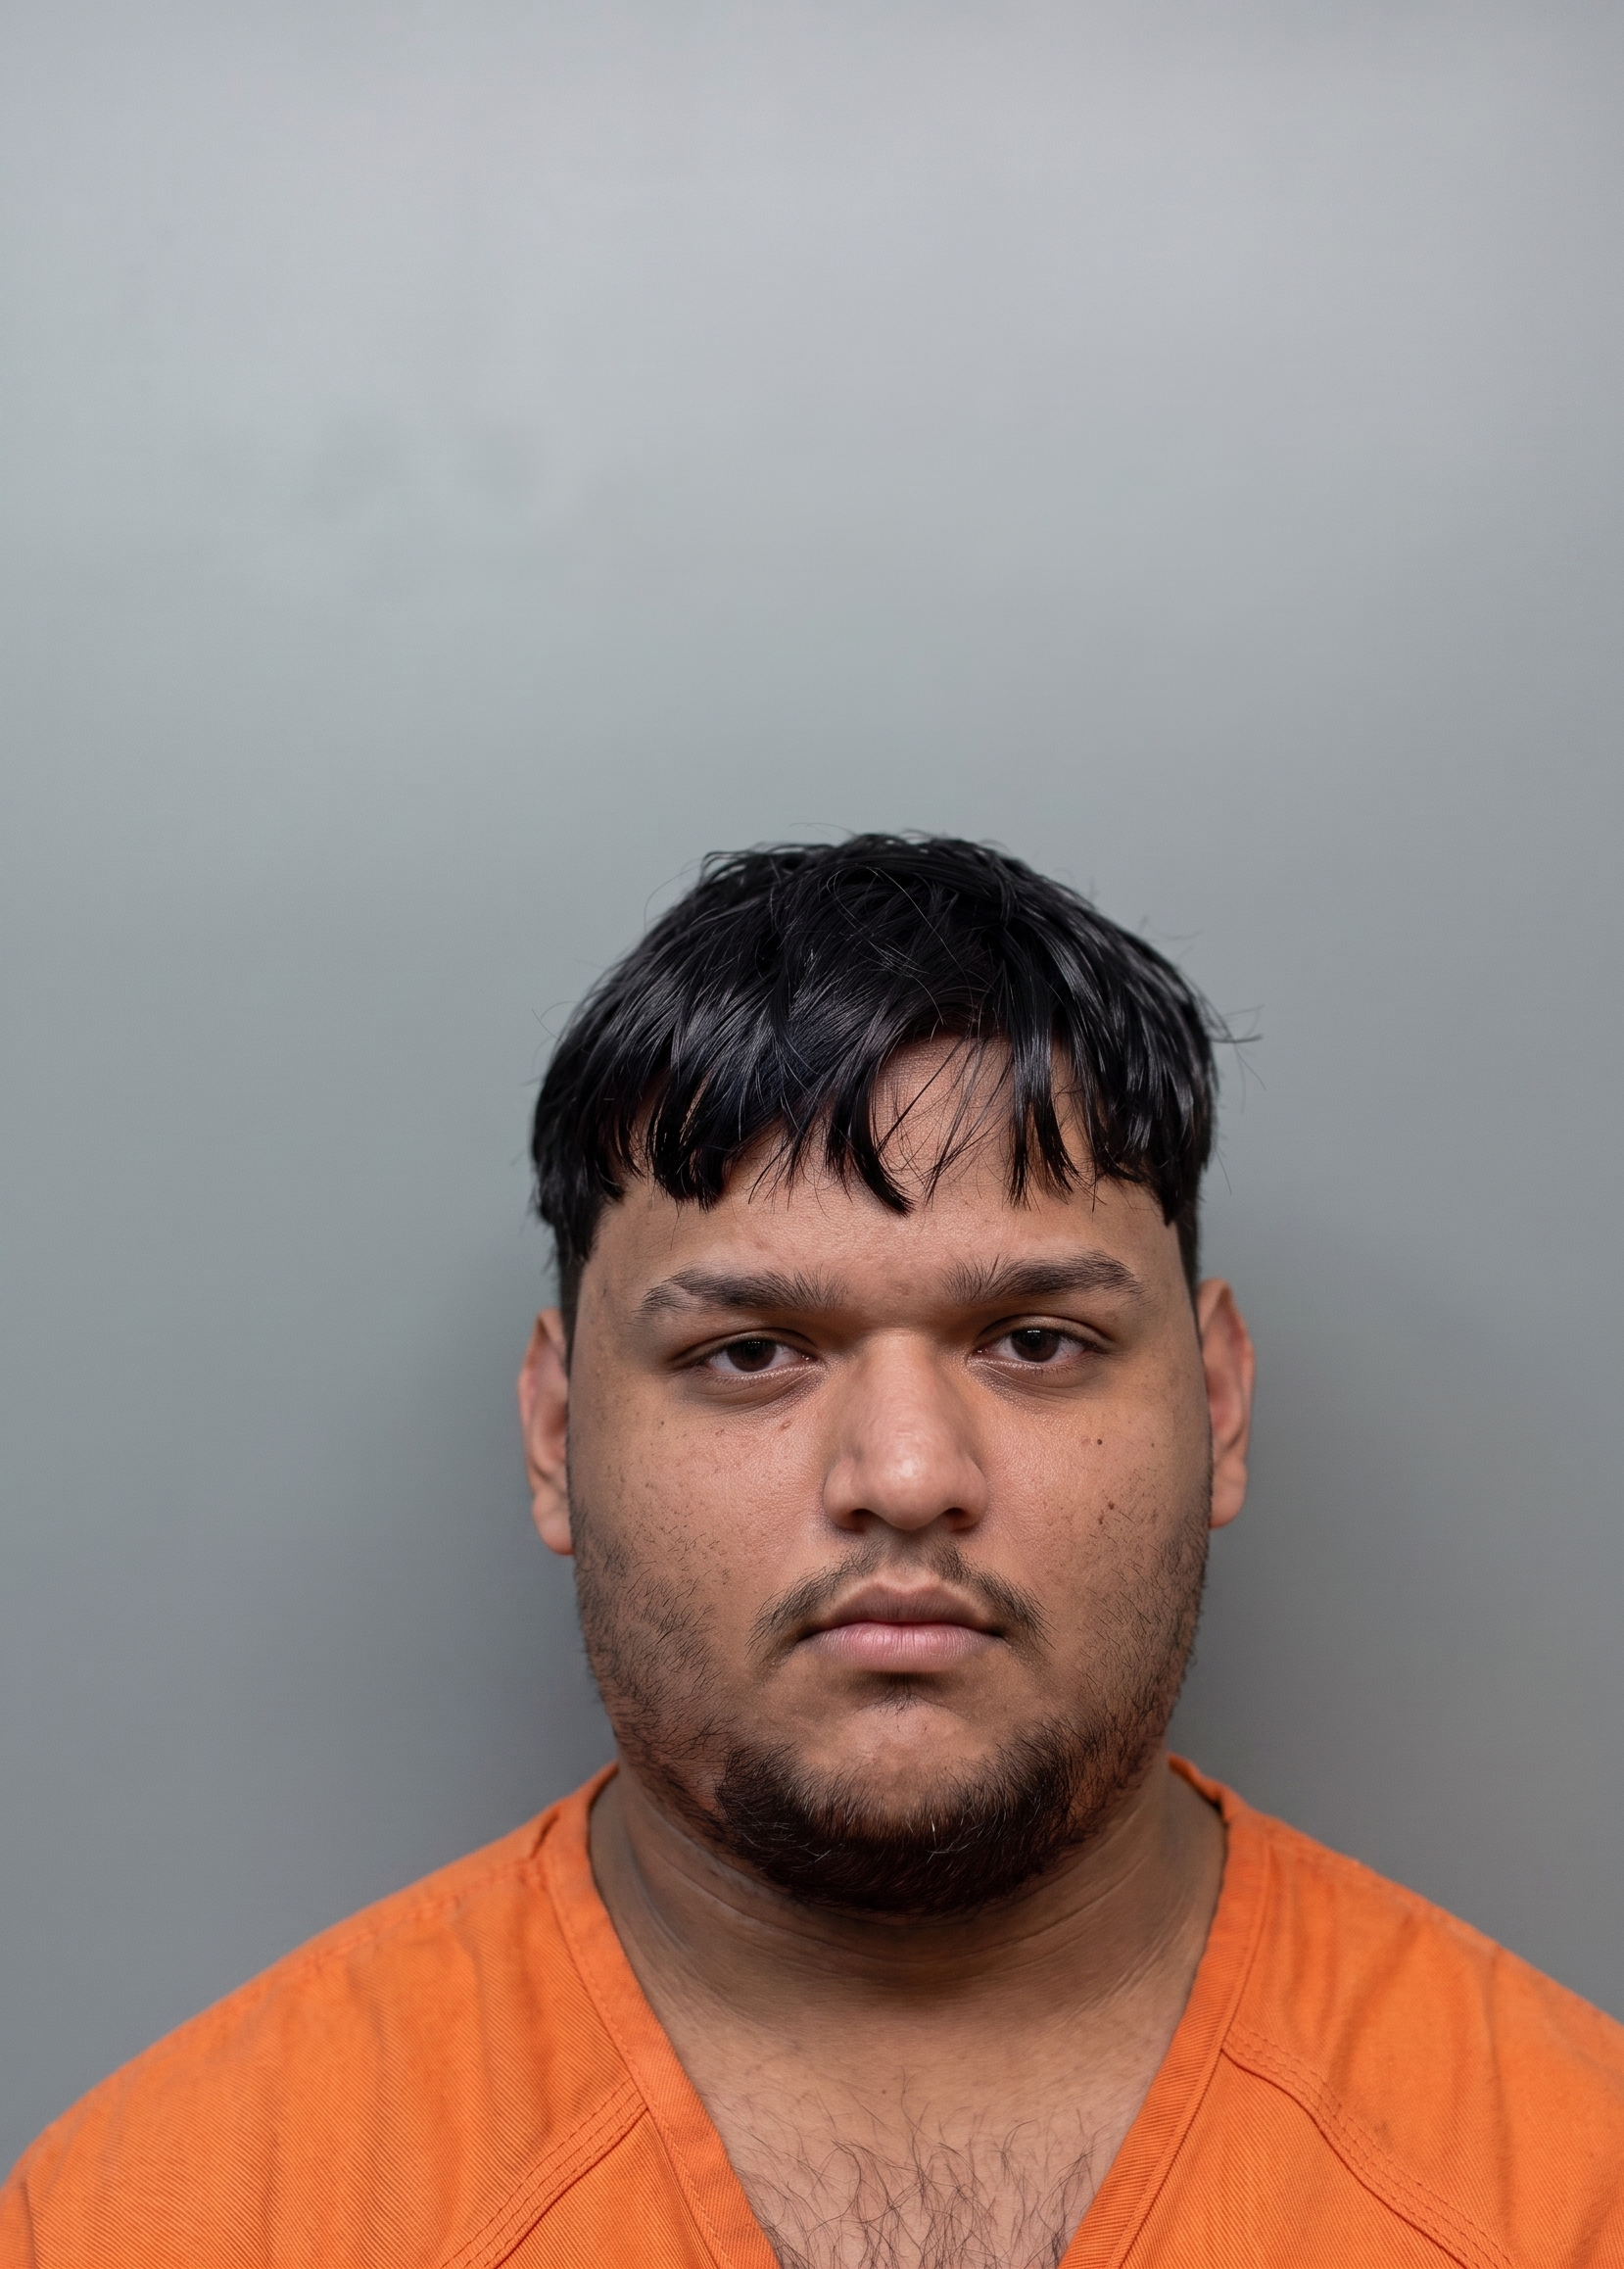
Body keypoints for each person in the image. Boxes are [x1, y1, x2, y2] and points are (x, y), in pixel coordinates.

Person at [4, 836, 1621, 2269]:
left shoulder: (1569, 2192)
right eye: (753, 1352)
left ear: (1217, 1403)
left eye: (1037, 1341)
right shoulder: (162, 2220)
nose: (906, 1475)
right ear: (558, 1434)